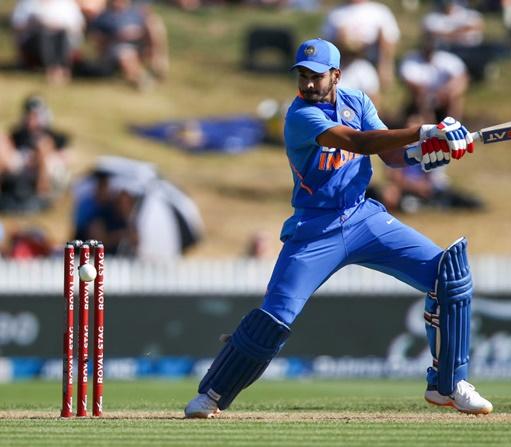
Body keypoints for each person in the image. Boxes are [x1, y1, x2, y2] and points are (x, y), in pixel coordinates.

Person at [184, 38, 492, 418]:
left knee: (450, 277)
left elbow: (391, 156)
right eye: (302, 76)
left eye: (316, 76)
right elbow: (359, 143)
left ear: (335, 75)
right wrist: (425, 130)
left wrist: (434, 149)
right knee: (275, 317)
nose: (308, 84)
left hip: (363, 216)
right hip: (316, 226)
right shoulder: (299, 116)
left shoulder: (357, 101)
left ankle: (449, 385)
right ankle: (211, 395)